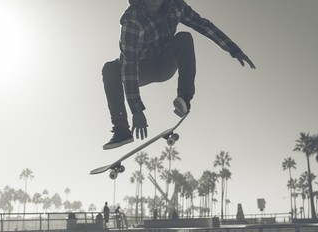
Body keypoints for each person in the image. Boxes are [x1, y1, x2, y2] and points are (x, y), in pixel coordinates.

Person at [102, 0, 256, 149]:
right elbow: (129, 65)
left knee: (184, 38)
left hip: (164, 65)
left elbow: (202, 24)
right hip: (140, 71)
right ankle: (121, 129)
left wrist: (233, 48)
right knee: (110, 69)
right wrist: (137, 110)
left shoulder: (176, 6)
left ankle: (184, 98)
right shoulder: (132, 20)